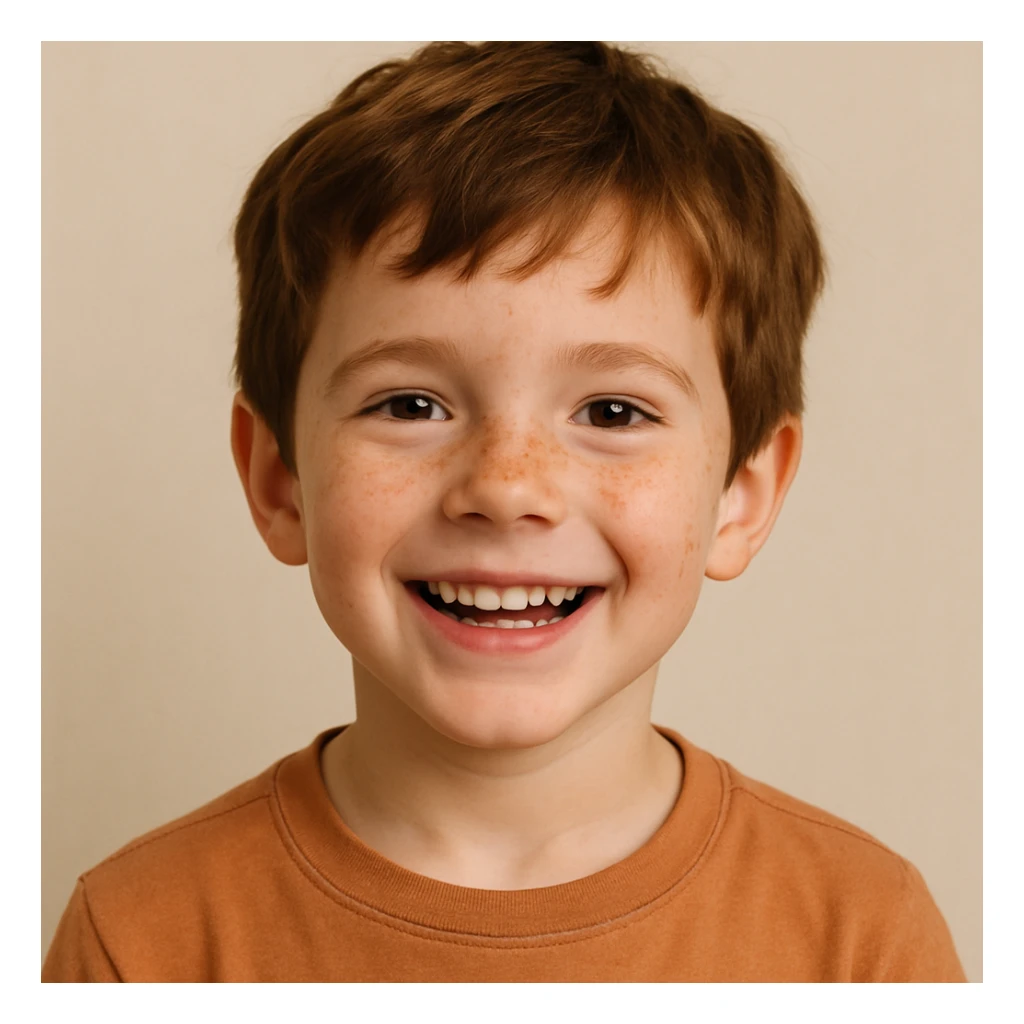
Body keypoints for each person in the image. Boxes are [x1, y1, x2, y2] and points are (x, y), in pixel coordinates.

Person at [42, 40, 966, 982]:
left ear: (742, 495)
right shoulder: (140, 941)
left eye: (613, 412)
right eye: (410, 405)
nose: (508, 486)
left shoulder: (860, 938)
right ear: (279, 478)